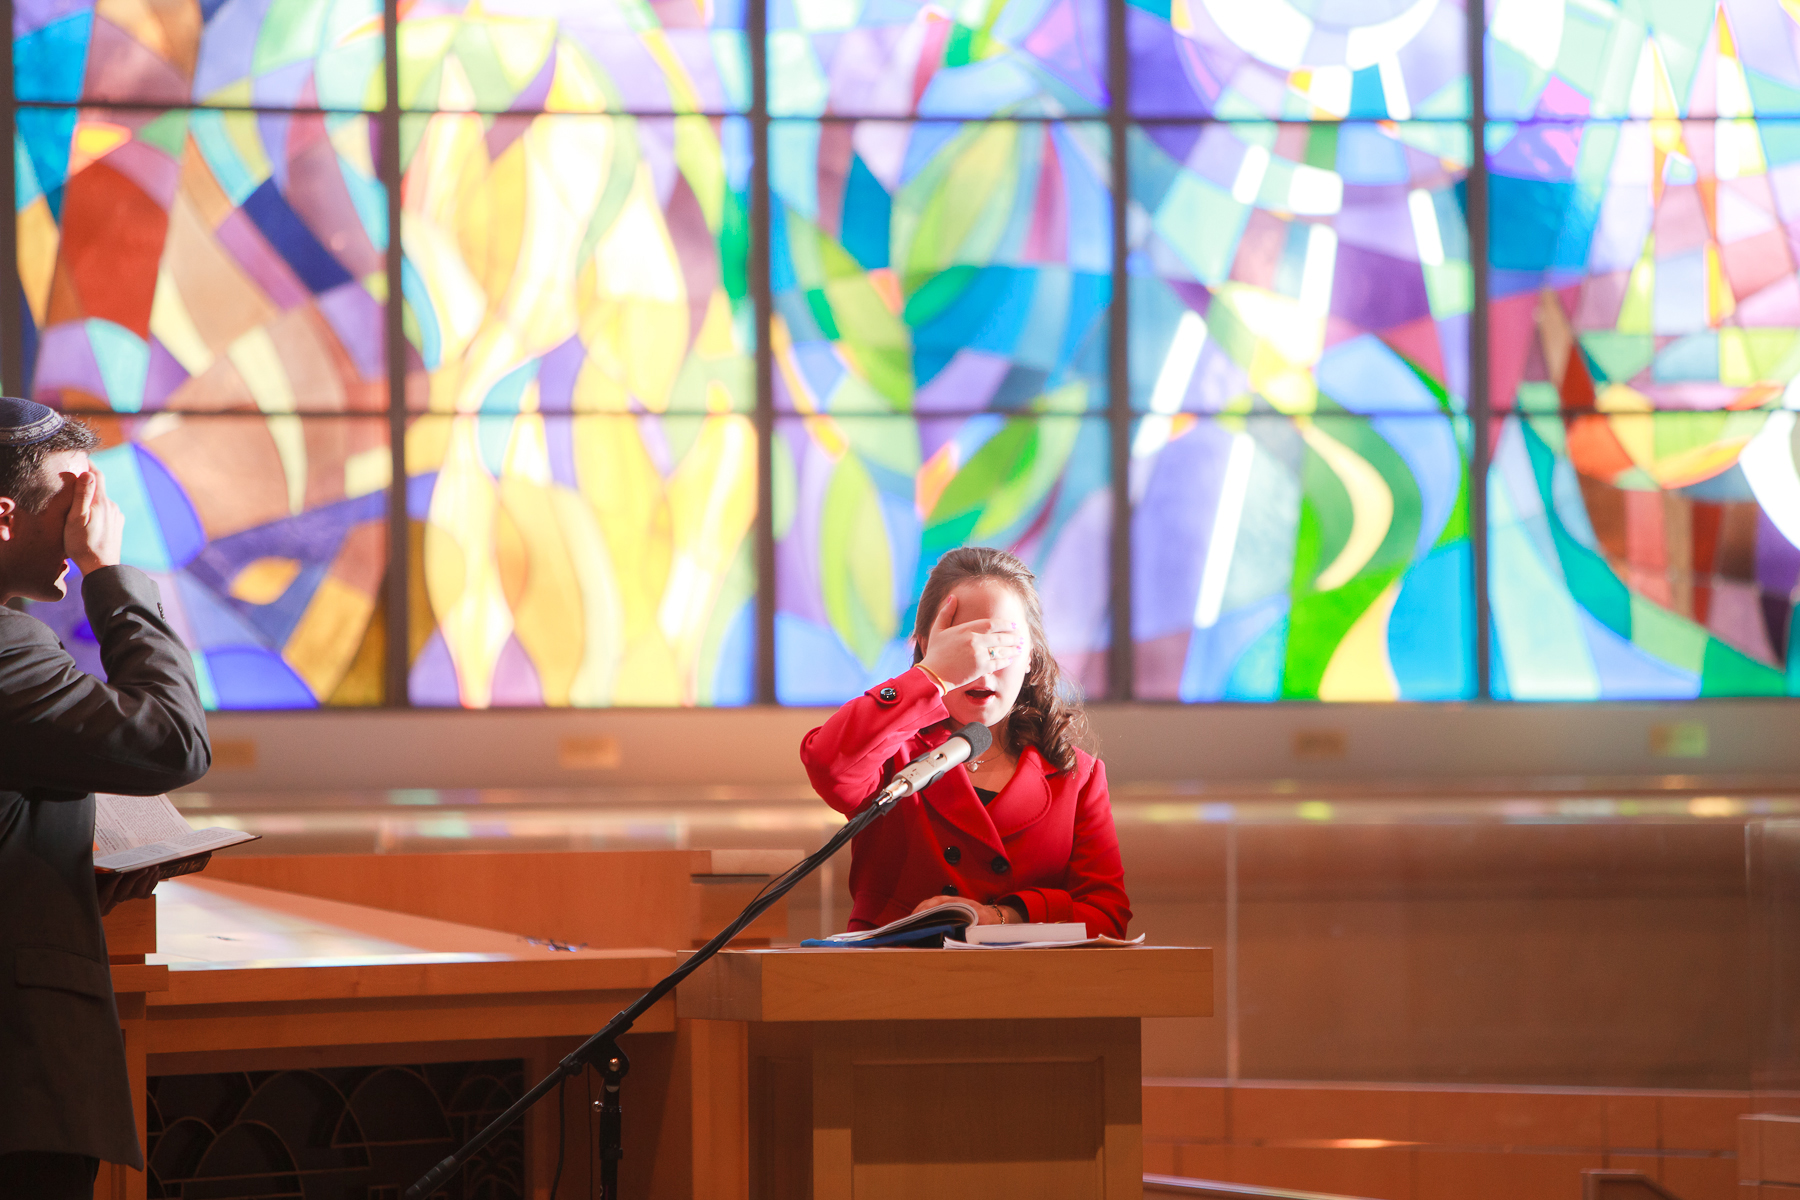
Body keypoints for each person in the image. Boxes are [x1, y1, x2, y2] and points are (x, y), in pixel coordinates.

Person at [0, 398, 211, 1197]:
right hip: (15, 1077)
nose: (95, 519)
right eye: (75, 500)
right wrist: (107, 574)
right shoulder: (4, 649)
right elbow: (171, 740)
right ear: (4, 515)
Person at [801, 546, 1130, 936]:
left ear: (1031, 657)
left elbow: (1107, 917)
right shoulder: (892, 754)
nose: (982, 663)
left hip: (1031, 991)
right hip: (896, 986)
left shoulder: (1077, 777)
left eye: (1001, 644)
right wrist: (932, 676)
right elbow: (828, 764)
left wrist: (1005, 916)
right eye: (963, 644)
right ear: (925, 647)